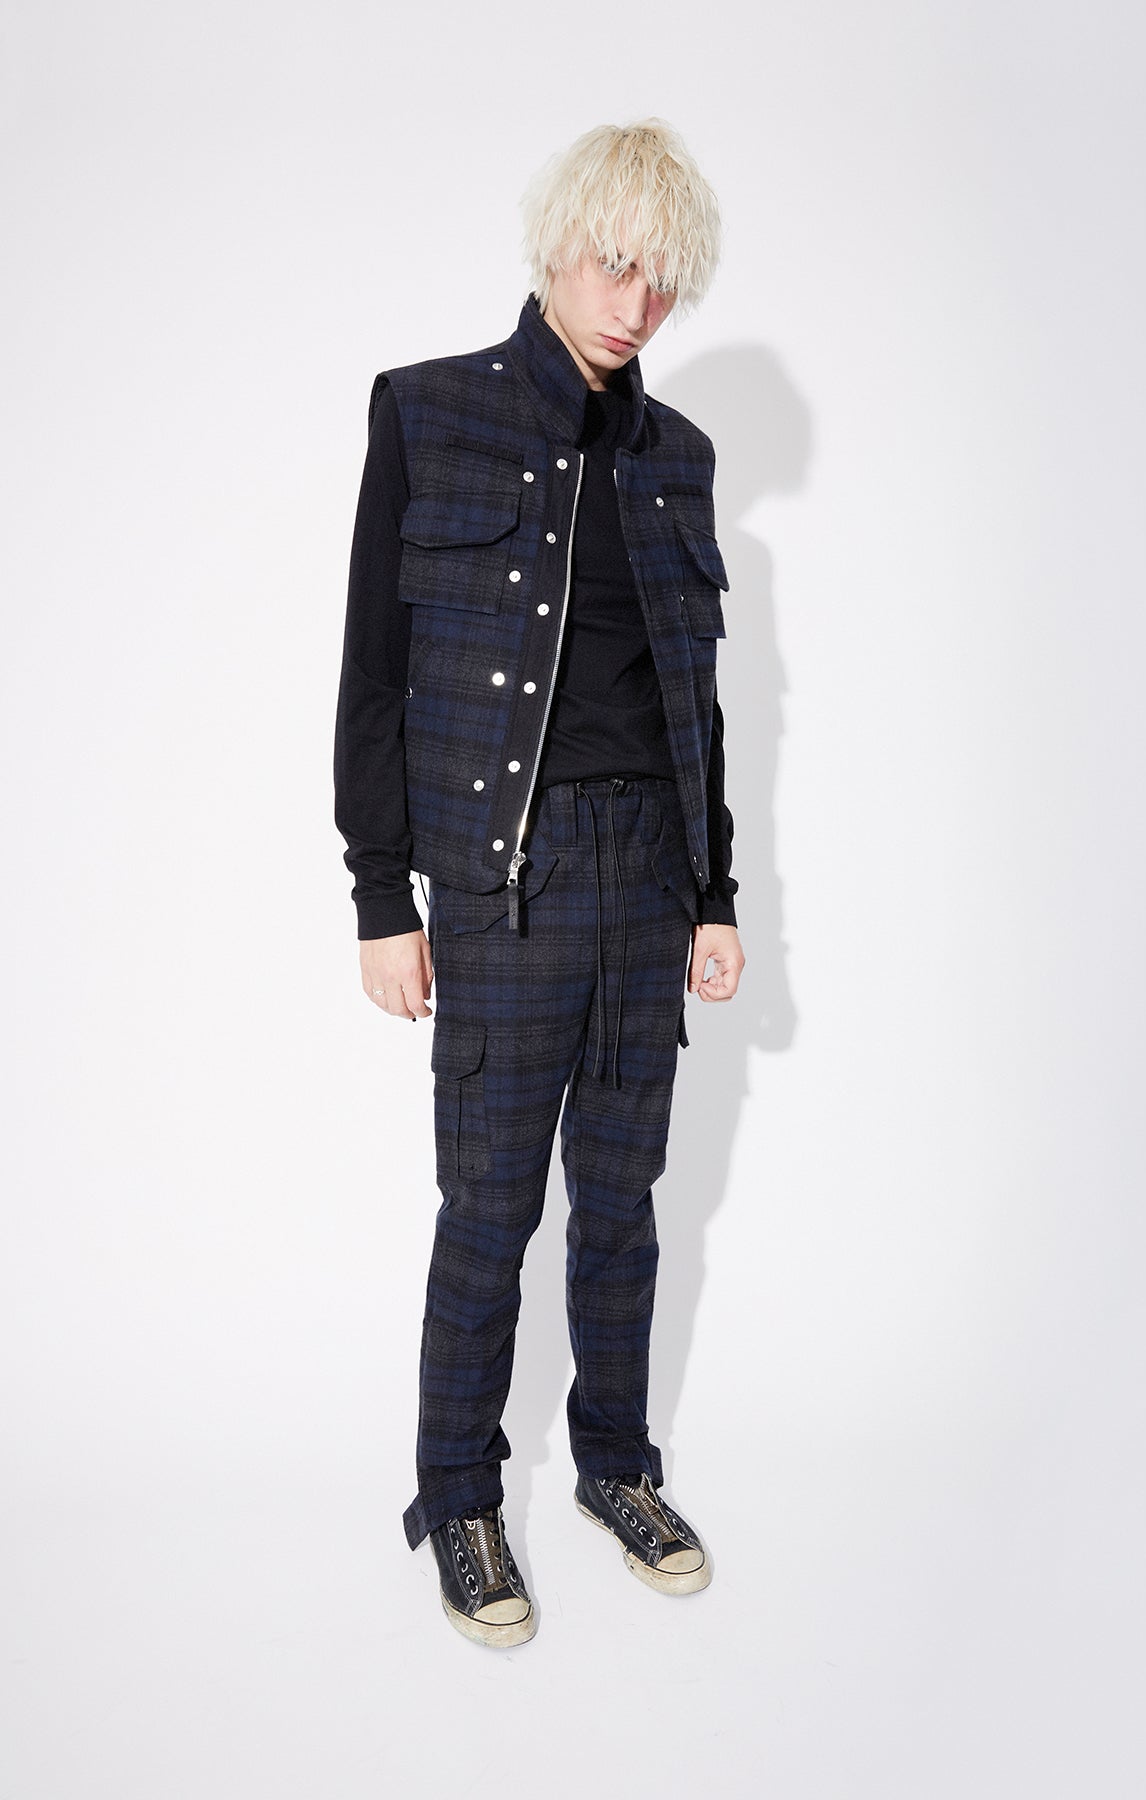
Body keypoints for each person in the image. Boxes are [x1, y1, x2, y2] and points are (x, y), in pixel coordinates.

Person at [333, 118, 744, 1649]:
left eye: (663, 280)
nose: (635, 304)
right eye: (613, 263)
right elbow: (375, 675)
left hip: (649, 874)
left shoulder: (678, 457)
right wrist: (383, 899)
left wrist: (717, 893)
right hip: (505, 878)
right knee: (492, 1208)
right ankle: (459, 1496)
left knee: (623, 1203)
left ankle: (617, 1468)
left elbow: (699, 704)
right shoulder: (430, 412)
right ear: (558, 245)